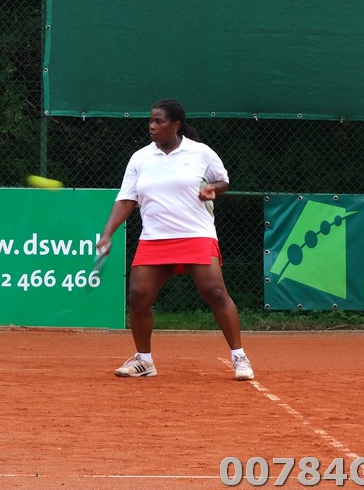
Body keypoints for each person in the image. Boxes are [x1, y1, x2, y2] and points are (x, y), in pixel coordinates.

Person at [97, 98, 254, 381]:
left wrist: (213, 189)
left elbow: (223, 181)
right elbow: (126, 199)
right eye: (150, 121)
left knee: (215, 292)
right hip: (155, 237)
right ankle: (144, 361)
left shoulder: (200, 152)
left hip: (196, 234)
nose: (152, 126)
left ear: (176, 124)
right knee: (138, 296)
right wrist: (107, 233)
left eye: (159, 121)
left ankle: (239, 356)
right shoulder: (140, 158)